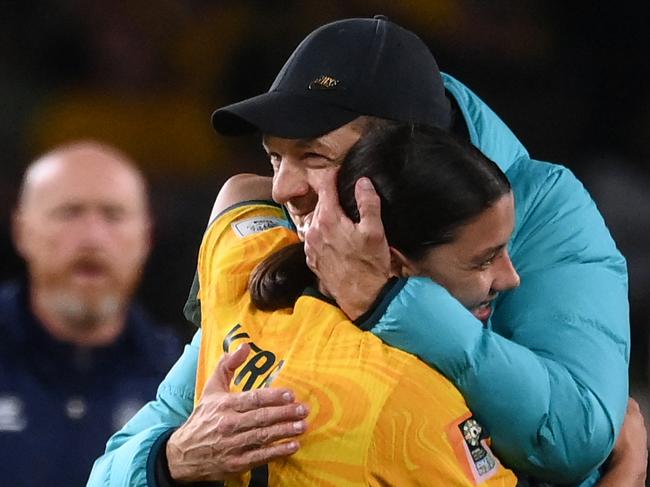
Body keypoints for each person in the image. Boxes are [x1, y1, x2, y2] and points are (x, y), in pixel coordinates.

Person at [88, 16, 629, 486]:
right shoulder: (298, 229)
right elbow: (124, 458)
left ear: (398, 159)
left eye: (314, 156)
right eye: (275, 159)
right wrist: (170, 461)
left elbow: (575, 436)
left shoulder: (544, 209)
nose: (283, 190)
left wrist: (391, 302)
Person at [187, 123, 519, 485]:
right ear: (392, 263)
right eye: (483, 260)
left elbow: (238, 191)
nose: (510, 278)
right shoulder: (409, 403)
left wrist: (328, 207)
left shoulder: (239, 267)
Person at [0, 141, 182, 486]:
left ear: (146, 237)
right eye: (69, 213)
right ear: (21, 231)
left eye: (113, 215)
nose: (92, 237)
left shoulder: (183, 379)